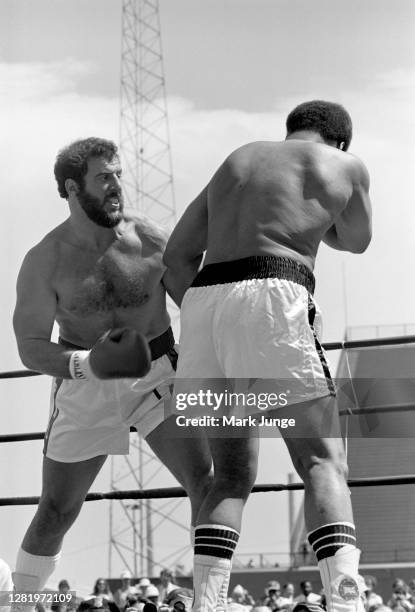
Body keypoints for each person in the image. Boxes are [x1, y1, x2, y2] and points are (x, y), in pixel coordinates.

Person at [163, 100, 372, 612]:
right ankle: (346, 601)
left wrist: (213, 321)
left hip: (204, 306)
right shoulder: (345, 166)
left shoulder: (238, 160)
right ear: (340, 141)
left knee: (229, 476)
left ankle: (207, 604)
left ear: (291, 130)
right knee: (323, 461)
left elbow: (175, 258)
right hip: (274, 293)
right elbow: (358, 240)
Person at [11, 137, 213, 606]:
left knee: (204, 480)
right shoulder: (45, 261)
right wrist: (85, 364)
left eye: (118, 174)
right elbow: (30, 347)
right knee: (57, 510)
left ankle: (210, 598)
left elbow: (200, 308)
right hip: (86, 383)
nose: (117, 185)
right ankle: (17, 604)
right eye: (104, 177)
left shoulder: (152, 239)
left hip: (159, 374)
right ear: (71, 188)